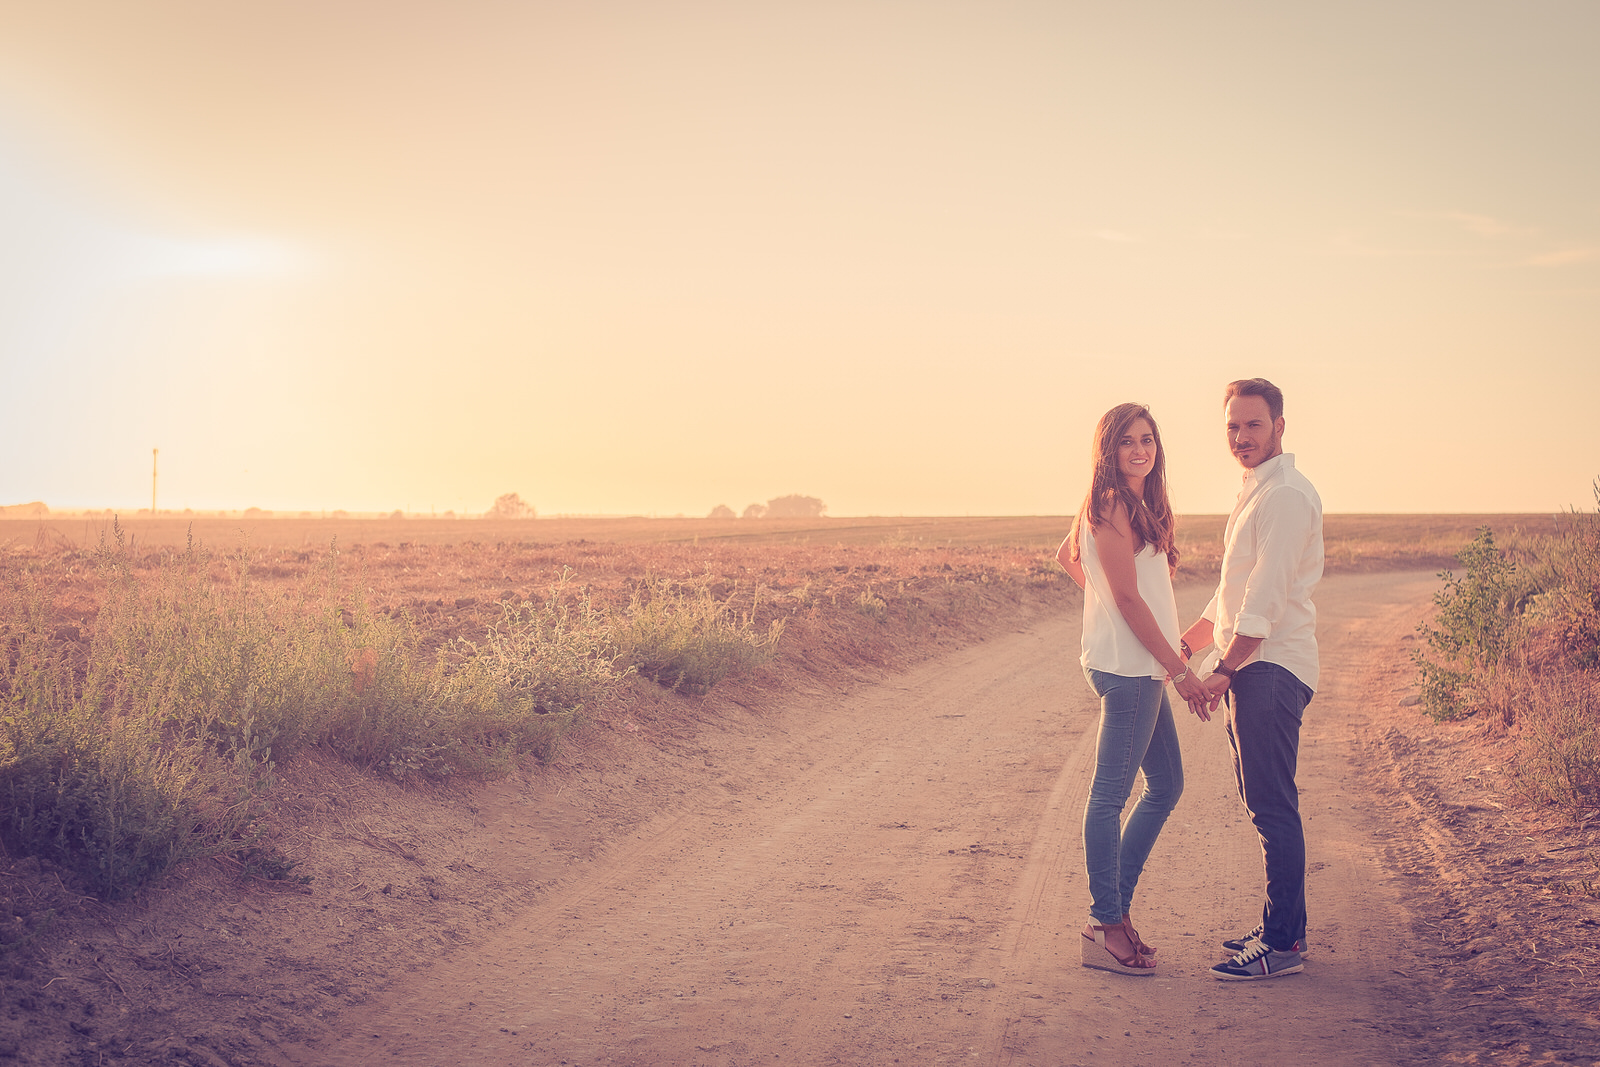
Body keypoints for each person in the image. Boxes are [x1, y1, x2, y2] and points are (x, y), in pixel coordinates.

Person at [1057, 402, 1212, 975]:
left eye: (1147, 439)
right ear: (1108, 449)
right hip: (1130, 669)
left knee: (1167, 784)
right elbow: (1127, 598)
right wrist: (1180, 670)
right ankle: (1106, 923)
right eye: (1126, 441)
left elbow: (1066, 557)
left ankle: (1113, 915)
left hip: (1138, 663)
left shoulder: (1134, 504)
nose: (1139, 450)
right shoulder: (1110, 503)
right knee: (1109, 795)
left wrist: (1101, 590)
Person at [1179, 377, 1323, 981]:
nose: (1241, 437)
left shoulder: (1285, 496)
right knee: (1262, 802)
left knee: (1272, 806)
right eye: (1233, 426)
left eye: (1253, 425)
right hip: (1254, 668)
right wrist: (1181, 649)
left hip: (1268, 670)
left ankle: (1284, 944)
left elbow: (1263, 600)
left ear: (1280, 426)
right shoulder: (1256, 490)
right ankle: (1278, 926)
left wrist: (1225, 669)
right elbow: (1230, 593)